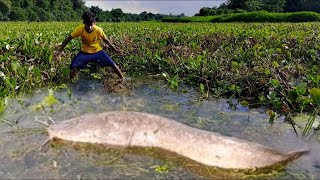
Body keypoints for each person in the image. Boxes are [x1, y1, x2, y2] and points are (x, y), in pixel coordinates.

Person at [54, 11, 125, 82]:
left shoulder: (98, 30)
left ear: (94, 23)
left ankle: (122, 79)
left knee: (112, 63)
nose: (90, 27)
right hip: (84, 52)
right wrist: (60, 51)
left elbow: (106, 40)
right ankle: (72, 82)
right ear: (84, 23)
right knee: (73, 67)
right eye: (88, 25)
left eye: (91, 25)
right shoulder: (80, 29)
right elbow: (68, 39)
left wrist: (115, 49)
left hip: (98, 51)